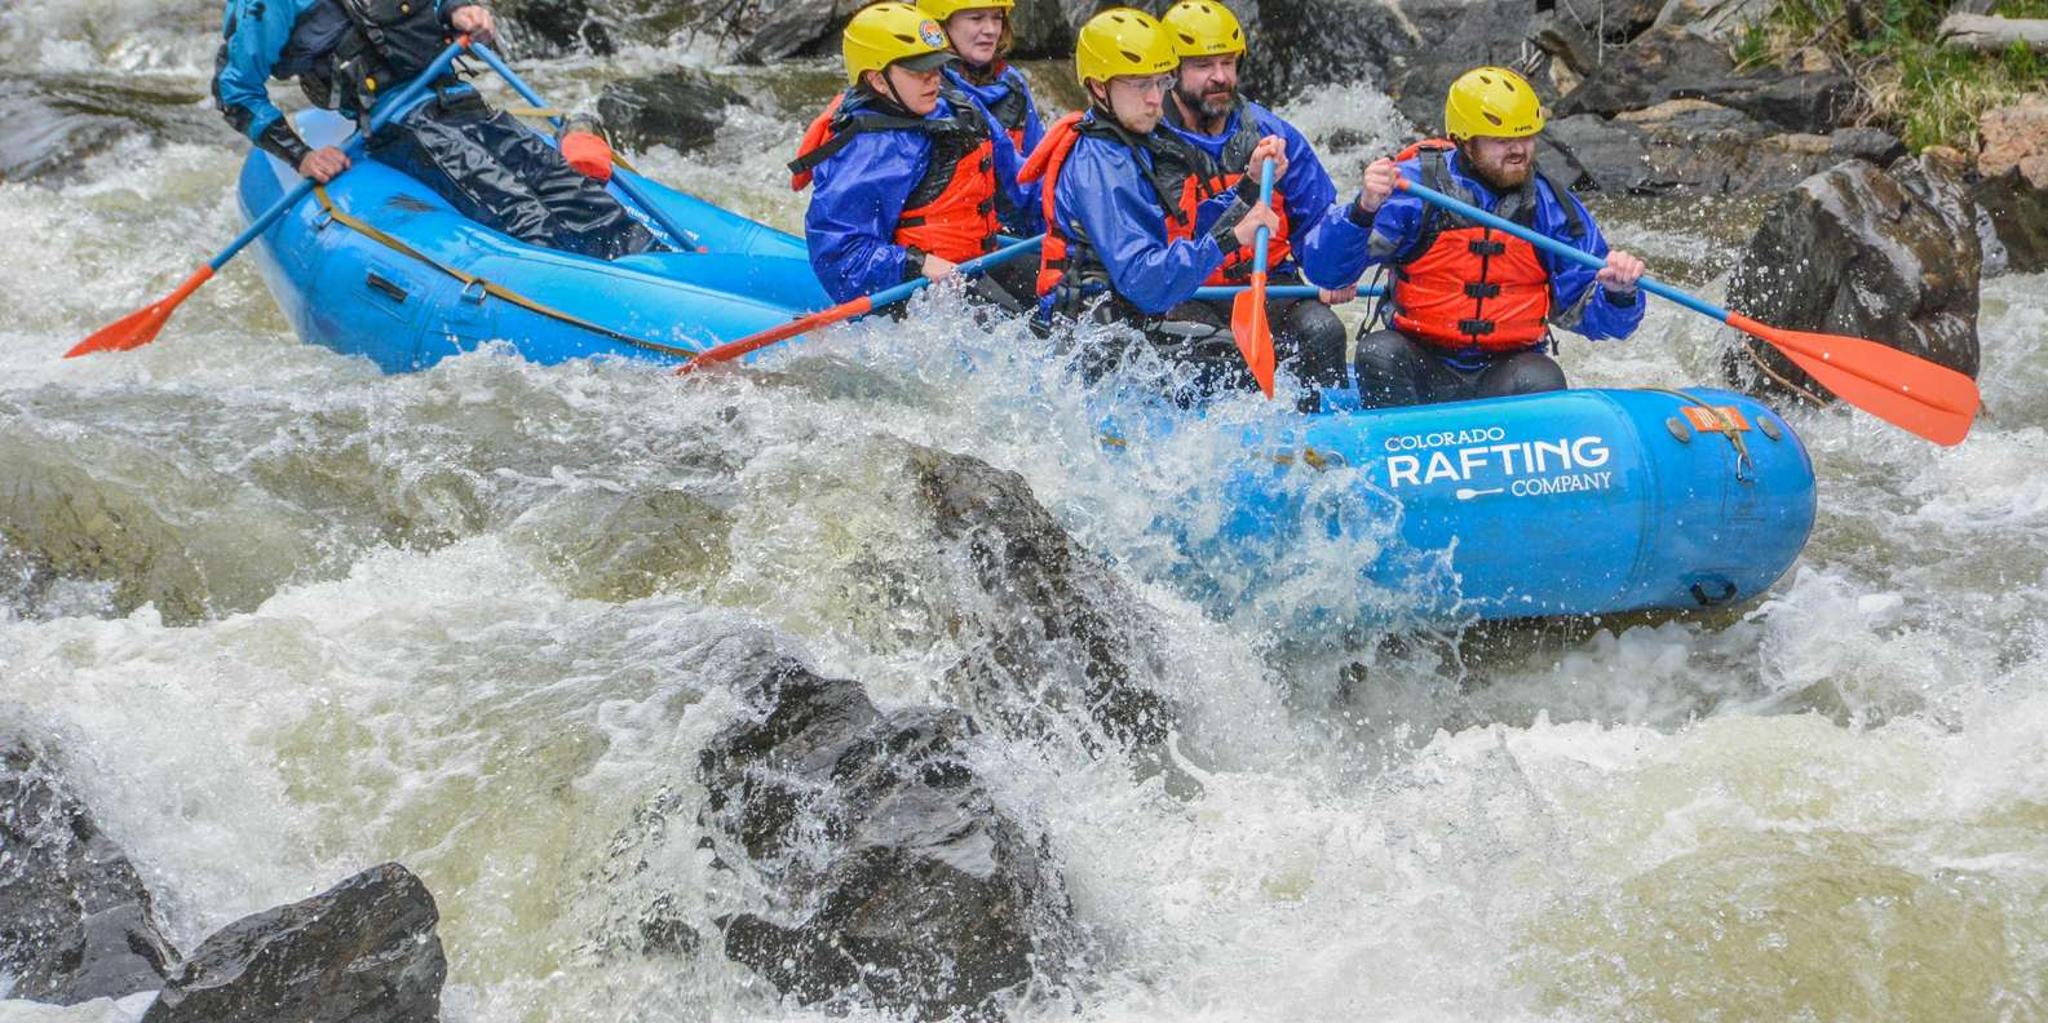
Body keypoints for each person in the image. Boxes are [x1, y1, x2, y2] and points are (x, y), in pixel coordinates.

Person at [1299, 66, 1647, 408]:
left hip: (1506, 368)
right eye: (1502, 140)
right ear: (1464, 142)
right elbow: (1327, 273)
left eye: (1526, 137)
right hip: (1422, 361)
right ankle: (1398, 440)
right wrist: (1362, 210)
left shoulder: (1552, 208)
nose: (1519, 151)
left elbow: (1603, 324)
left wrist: (1619, 293)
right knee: (1378, 353)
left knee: (1542, 379)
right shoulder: (1409, 191)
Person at [211, 0, 656, 259]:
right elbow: (234, 90)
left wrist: (462, 10)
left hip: (460, 103)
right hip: (399, 126)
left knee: (581, 197)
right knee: (524, 215)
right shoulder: (266, 5)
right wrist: (302, 156)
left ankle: (670, 281)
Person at [1017, 7, 1292, 401]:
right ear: (1098, 87)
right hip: (1092, 343)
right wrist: (1232, 238)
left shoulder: (1138, 142)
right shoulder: (1101, 164)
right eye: (1138, 85)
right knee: (1237, 365)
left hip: (1131, 325)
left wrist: (1247, 187)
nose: (1153, 99)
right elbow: (1145, 282)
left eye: (1160, 82)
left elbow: (1186, 230)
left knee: (1242, 357)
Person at [1156, 0, 1349, 395]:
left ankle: (1327, 427)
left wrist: (1336, 271)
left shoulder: (1272, 133)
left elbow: (1317, 225)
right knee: (1211, 347)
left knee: (1323, 331)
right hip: (1189, 291)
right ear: (1171, 73)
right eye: (1204, 66)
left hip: (1271, 285)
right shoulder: (1148, 141)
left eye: (1228, 63)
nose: (1220, 77)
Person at [790, 2, 1007, 307]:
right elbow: (841, 258)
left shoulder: (953, 108)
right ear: (878, 80)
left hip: (975, 262)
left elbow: (1018, 178)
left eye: (937, 66)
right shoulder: (867, 151)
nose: (934, 78)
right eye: (918, 71)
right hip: (915, 292)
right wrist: (916, 264)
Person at [921, 0, 1046, 238]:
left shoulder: (1012, 83)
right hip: (956, 242)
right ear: (942, 26)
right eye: (976, 18)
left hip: (1013, 236)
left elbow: (1038, 167)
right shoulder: (924, 91)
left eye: (997, 17)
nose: (990, 30)